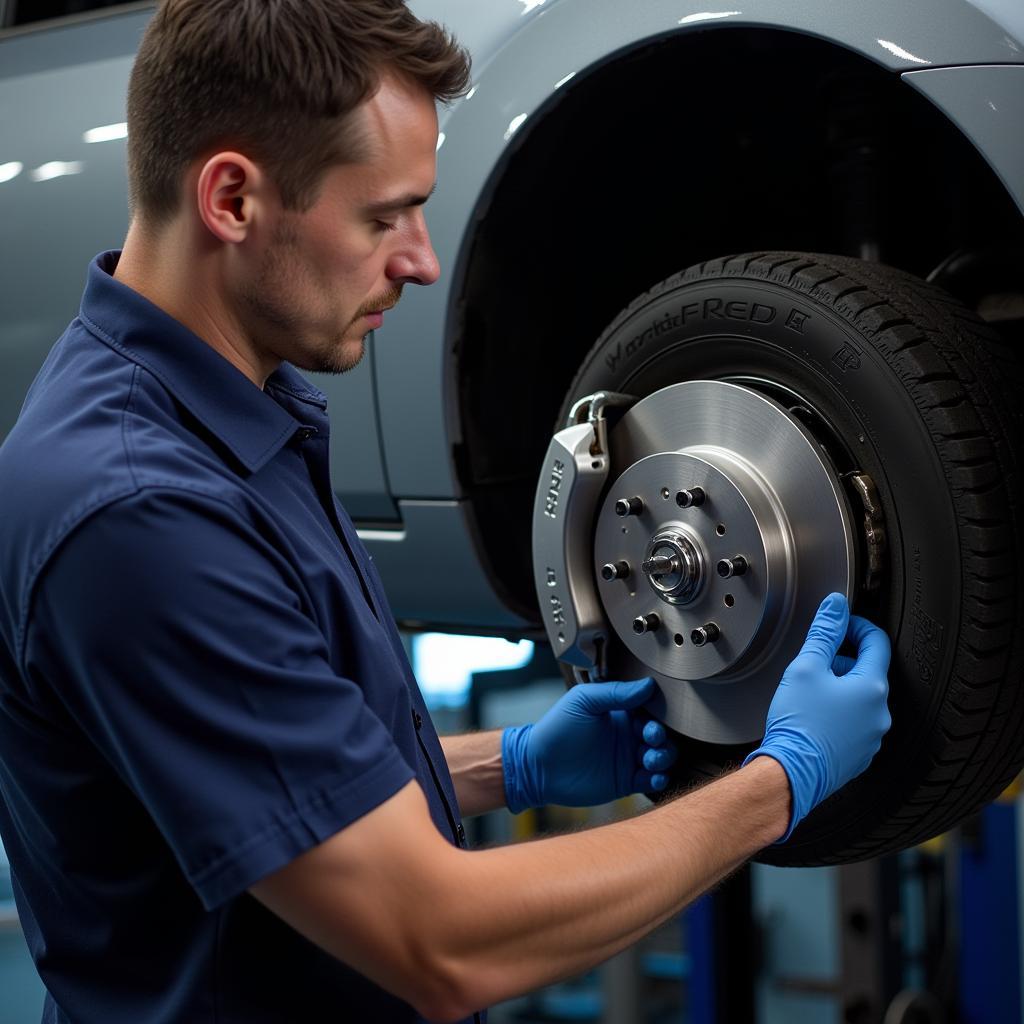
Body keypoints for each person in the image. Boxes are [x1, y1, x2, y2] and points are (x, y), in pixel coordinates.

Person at [0, 1, 891, 1021]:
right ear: (233, 199)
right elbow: (437, 937)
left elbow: (260, 760)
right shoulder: (136, 513)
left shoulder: (222, 402)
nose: (421, 259)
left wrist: (496, 766)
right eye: (382, 215)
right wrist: (780, 782)